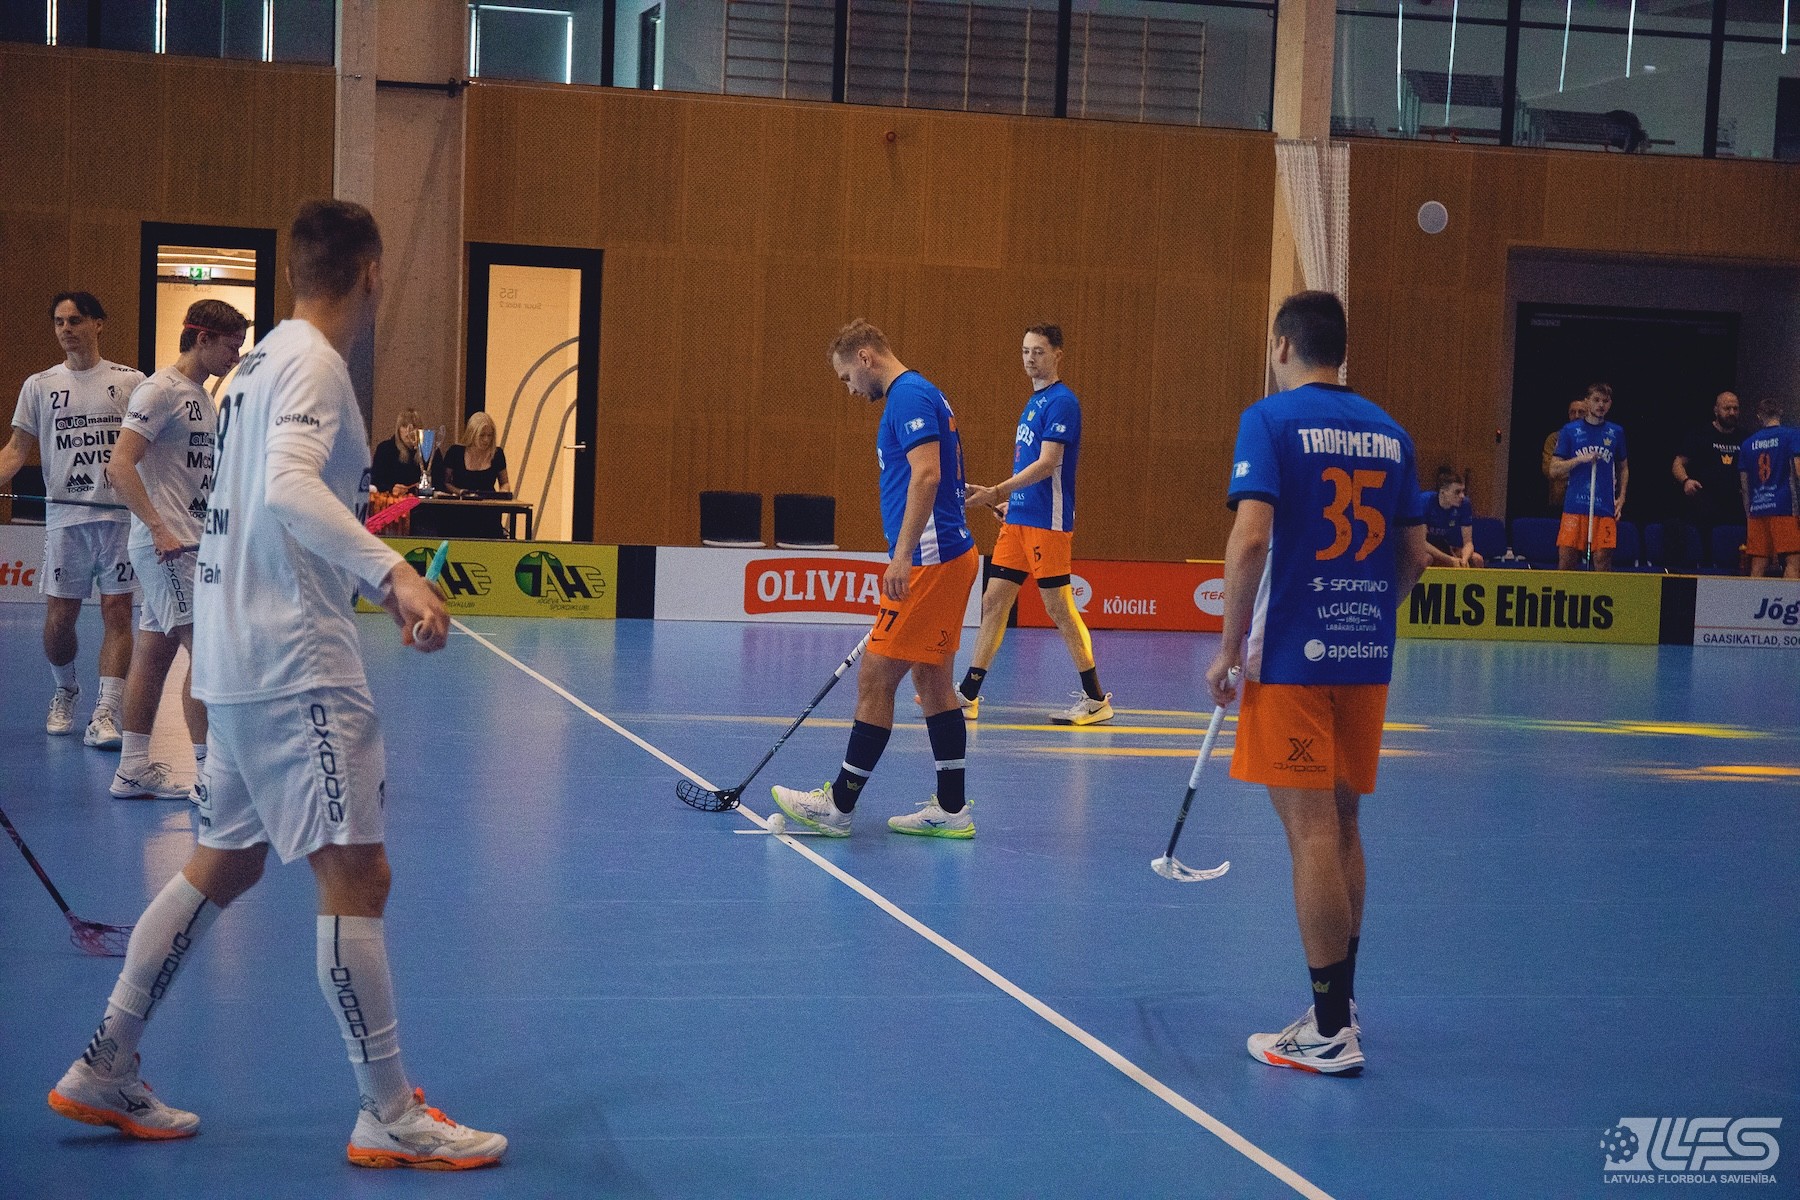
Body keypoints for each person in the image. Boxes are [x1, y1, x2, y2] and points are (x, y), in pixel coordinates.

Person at [47, 200, 506, 1170]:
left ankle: (105, 1061)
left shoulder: (254, 368)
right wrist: (395, 573)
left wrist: (360, 579)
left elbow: (270, 510)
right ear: (372, 273)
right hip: (293, 664)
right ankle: (388, 1112)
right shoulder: (314, 365)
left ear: (296, 271)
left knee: (226, 862)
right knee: (356, 876)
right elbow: (290, 490)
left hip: (235, 652)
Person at [1205, 290, 1430, 1076]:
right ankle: (1342, 1004)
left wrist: (1228, 647)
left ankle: (1330, 1031)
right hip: (1365, 653)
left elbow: (1250, 539)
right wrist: (1370, 614)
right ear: (1341, 350)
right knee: (1344, 825)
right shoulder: (1392, 433)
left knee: (1310, 833)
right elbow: (1415, 555)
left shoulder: (1268, 421)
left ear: (1281, 346)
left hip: (1295, 658)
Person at [772, 319, 980, 839]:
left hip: (929, 562)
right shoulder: (922, 393)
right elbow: (935, 473)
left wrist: (902, 557)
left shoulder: (907, 396)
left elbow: (927, 474)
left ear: (865, 357)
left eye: (847, 377)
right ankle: (952, 809)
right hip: (947, 556)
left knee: (876, 678)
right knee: (932, 680)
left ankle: (838, 806)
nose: (849, 390)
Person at [106, 299, 246, 801]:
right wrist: (158, 528)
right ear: (202, 338)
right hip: (169, 549)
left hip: (195, 546)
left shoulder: (203, 397)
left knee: (153, 655)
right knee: (209, 657)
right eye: (231, 346)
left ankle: (131, 769)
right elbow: (119, 465)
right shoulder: (160, 390)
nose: (236, 357)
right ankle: (209, 778)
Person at [0, 292, 144, 746]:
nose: (66, 329)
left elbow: (149, 447)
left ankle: (106, 711)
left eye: (76, 320)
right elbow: (15, 451)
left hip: (119, 517)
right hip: (65, 518)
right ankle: (65, 689)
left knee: (118, 610)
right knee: (60, 618)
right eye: (59, 322)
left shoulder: (131, 381)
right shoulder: (39, 385)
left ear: (98, 324)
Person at [956, 323, 1111, 724]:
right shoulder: (1033, 402)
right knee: (994, 601)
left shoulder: (1063, 402)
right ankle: (968, 693)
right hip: (1020, 518)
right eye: (1025, 351)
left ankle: (1096, 699)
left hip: (1047, 522)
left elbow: (1047, 464)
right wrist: (1012, 501)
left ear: (1058, 355)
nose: (1030, 358)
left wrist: (994, 490)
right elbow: (1029, 466)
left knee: (1058, 607)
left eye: (1038, 351)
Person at [1549, 382, 1628, 571]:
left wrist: (1622, 497)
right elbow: (1553, 470)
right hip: (1575, 505)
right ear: (1587, 402)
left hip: (1604, 506)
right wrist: (1579, 460)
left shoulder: (1616, 432)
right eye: (1596, 400)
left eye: (1605, 401)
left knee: (1602, 560)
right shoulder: (1570, 431)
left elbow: (1623, 467)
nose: (1601, 405)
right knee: (1567, 560)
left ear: (1610, 404)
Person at [1670, 390, 1744, 572]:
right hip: (1705, 507)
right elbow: (1678, 463)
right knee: (1703, 557)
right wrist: (1686, 481)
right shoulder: (1700, 435)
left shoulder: (1745, 438)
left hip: (1736, 508)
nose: (1732, 412)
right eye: (1727, 408)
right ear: (1716, 410)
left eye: (1735, 408)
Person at [1739, 398, 1800, 579]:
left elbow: (1744, 485)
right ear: (1780, 412)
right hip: (1785, 508)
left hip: (1757, 509)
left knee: (1758, 566)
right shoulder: (1792, 435)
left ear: (1759, 416)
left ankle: (1751, 598)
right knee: (1793, 563)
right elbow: (1798, 471)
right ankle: (1789, 599)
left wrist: (1749, 514)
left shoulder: (1747, 444)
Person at [441, 411, 510, 537]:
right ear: (472, 434)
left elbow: (504, 482)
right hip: (460, 511)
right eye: (482, 435)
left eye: (489, 435)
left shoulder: (497, 454)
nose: (486, 440)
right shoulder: (455, 452)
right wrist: (459, 492)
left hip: (489, 512)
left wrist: (503, 493)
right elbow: (445, 482)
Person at [1419, 467, 1483, 568]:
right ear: (1443, 492)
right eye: (1457, 492)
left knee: (1477, 559)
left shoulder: (1464, 504)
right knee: (1426, 559)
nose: (1462, 496)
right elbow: (1421, 542)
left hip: (1445, 545)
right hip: (1423, 547)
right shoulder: (1424, 501)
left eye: (1463, 491)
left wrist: (1464, 559)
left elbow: (1468, 543)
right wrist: (1449, 559)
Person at [1541, 395, 1587, 513]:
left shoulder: (1595, 439)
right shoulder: (1555, 439)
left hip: (1588, 500)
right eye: (1573, 412)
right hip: (1560, 501)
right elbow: (1549, 470)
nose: (1576, 416)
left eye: (1581, 412)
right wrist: (1582, 470)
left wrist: (1564, 467)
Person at [370, 406, 427, 496]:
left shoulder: (429, 450)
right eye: (404, 426)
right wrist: (391, 488)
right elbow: (375, 481)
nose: (409, 431)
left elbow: (439, 482)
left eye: (414, 426)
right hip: (393, 500)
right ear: (398, 429)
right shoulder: (385, 449)